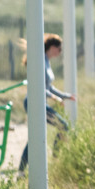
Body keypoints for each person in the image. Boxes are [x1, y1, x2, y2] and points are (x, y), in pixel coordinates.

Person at [19, 34, 76, 172]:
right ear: (52, 47)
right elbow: (39, 86)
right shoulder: (40, 61)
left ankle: (21, 170)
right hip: (34, 102)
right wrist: (55, 98)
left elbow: (49, 87)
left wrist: (65, 96)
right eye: (59, 49)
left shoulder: (46, 61)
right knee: (63, 126)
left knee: (35, 136)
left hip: (40, 103)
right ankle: (56, 160)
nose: (60, 52)